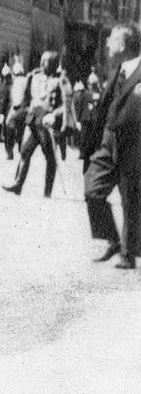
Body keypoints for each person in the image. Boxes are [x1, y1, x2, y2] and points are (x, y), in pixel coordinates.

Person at [83, 24, 141, 268]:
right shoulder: (116, 71)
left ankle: (127, 253)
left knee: (130, 198)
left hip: (134, 142)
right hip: (109, 141)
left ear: (123, 44)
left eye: (111, 39)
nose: (107, 44)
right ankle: (112, 240)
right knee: (92, 189)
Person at [4, 51, 62, 197]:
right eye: (42, 60)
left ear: (54, 64)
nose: (42, 64)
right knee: (25, 152)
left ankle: (47, 192)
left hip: (47, 124)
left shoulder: (60, 82)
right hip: (34, 121)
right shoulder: (34, 77)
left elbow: (65, 106)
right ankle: (18, 184)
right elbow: (26, 98)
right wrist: (21, 112)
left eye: (47, 61)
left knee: (49, 157)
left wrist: (54, 115)